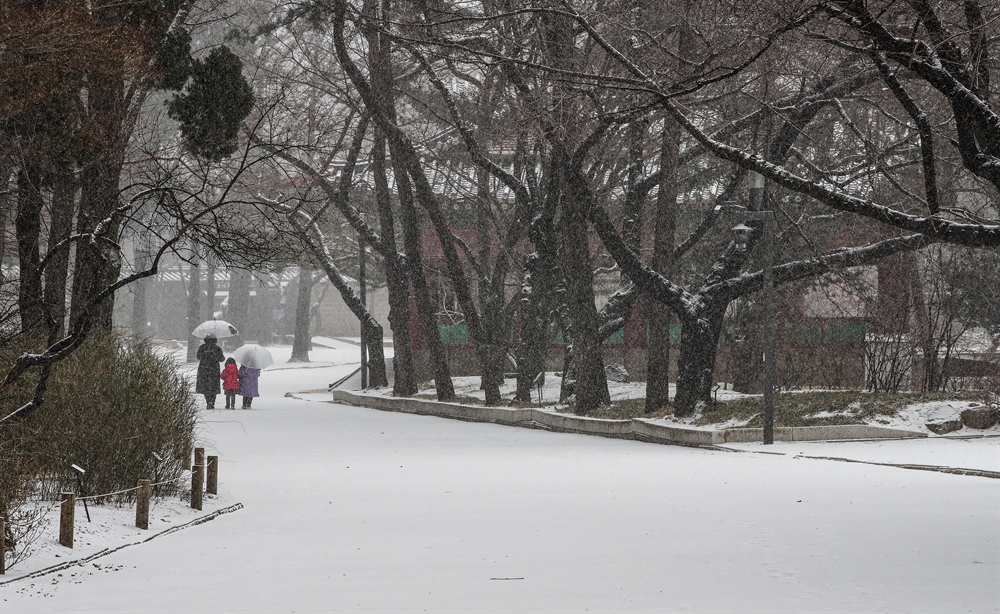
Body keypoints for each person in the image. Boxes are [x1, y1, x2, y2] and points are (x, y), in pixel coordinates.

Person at [195, 335, 225, 409]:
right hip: (214, 369)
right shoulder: (217, 348)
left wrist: (205, 355)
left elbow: (198, 357)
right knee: (213, 386)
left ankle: (208, 401)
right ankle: (212, 401)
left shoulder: (202, 347)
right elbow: (222, 359)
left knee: (205, 386)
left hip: (204, 369)